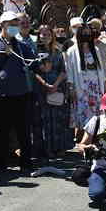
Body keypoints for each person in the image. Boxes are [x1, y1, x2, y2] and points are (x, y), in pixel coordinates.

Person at [0, 10, 38, 174]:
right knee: (0, 131)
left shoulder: (21, 45)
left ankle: (26, 163)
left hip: (21, 93)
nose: (14, 27)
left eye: (16, 24)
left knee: (23, 130)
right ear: (2, 25)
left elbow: (33, 63)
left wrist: (40, 63)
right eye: (11, 24)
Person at [65, 17, 106, 141]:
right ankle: (82, 141)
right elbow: (69, 72)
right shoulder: (72, 51)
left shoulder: (96, 50)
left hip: (96, 89)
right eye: (84, 35)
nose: (86, 38)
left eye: (88, 35)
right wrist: (71, 88)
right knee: (82, 116)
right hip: (81, 89)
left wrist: (105, 87)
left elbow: (101, 70)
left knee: (97, 116)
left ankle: (94, 139)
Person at [32, 24, 71, 160]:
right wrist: (45, 84)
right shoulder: (34, 51)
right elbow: (34, 72)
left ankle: (59, 147)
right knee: (45, 120)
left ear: (52, 36)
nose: (45, 37)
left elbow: (63, 71)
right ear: (39, 36)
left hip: (57, 87)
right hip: (42, 89)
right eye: (42, 34)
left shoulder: (57, 51)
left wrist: (55, 84)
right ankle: (47, 149)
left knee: (58, 119)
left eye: (48, 34)